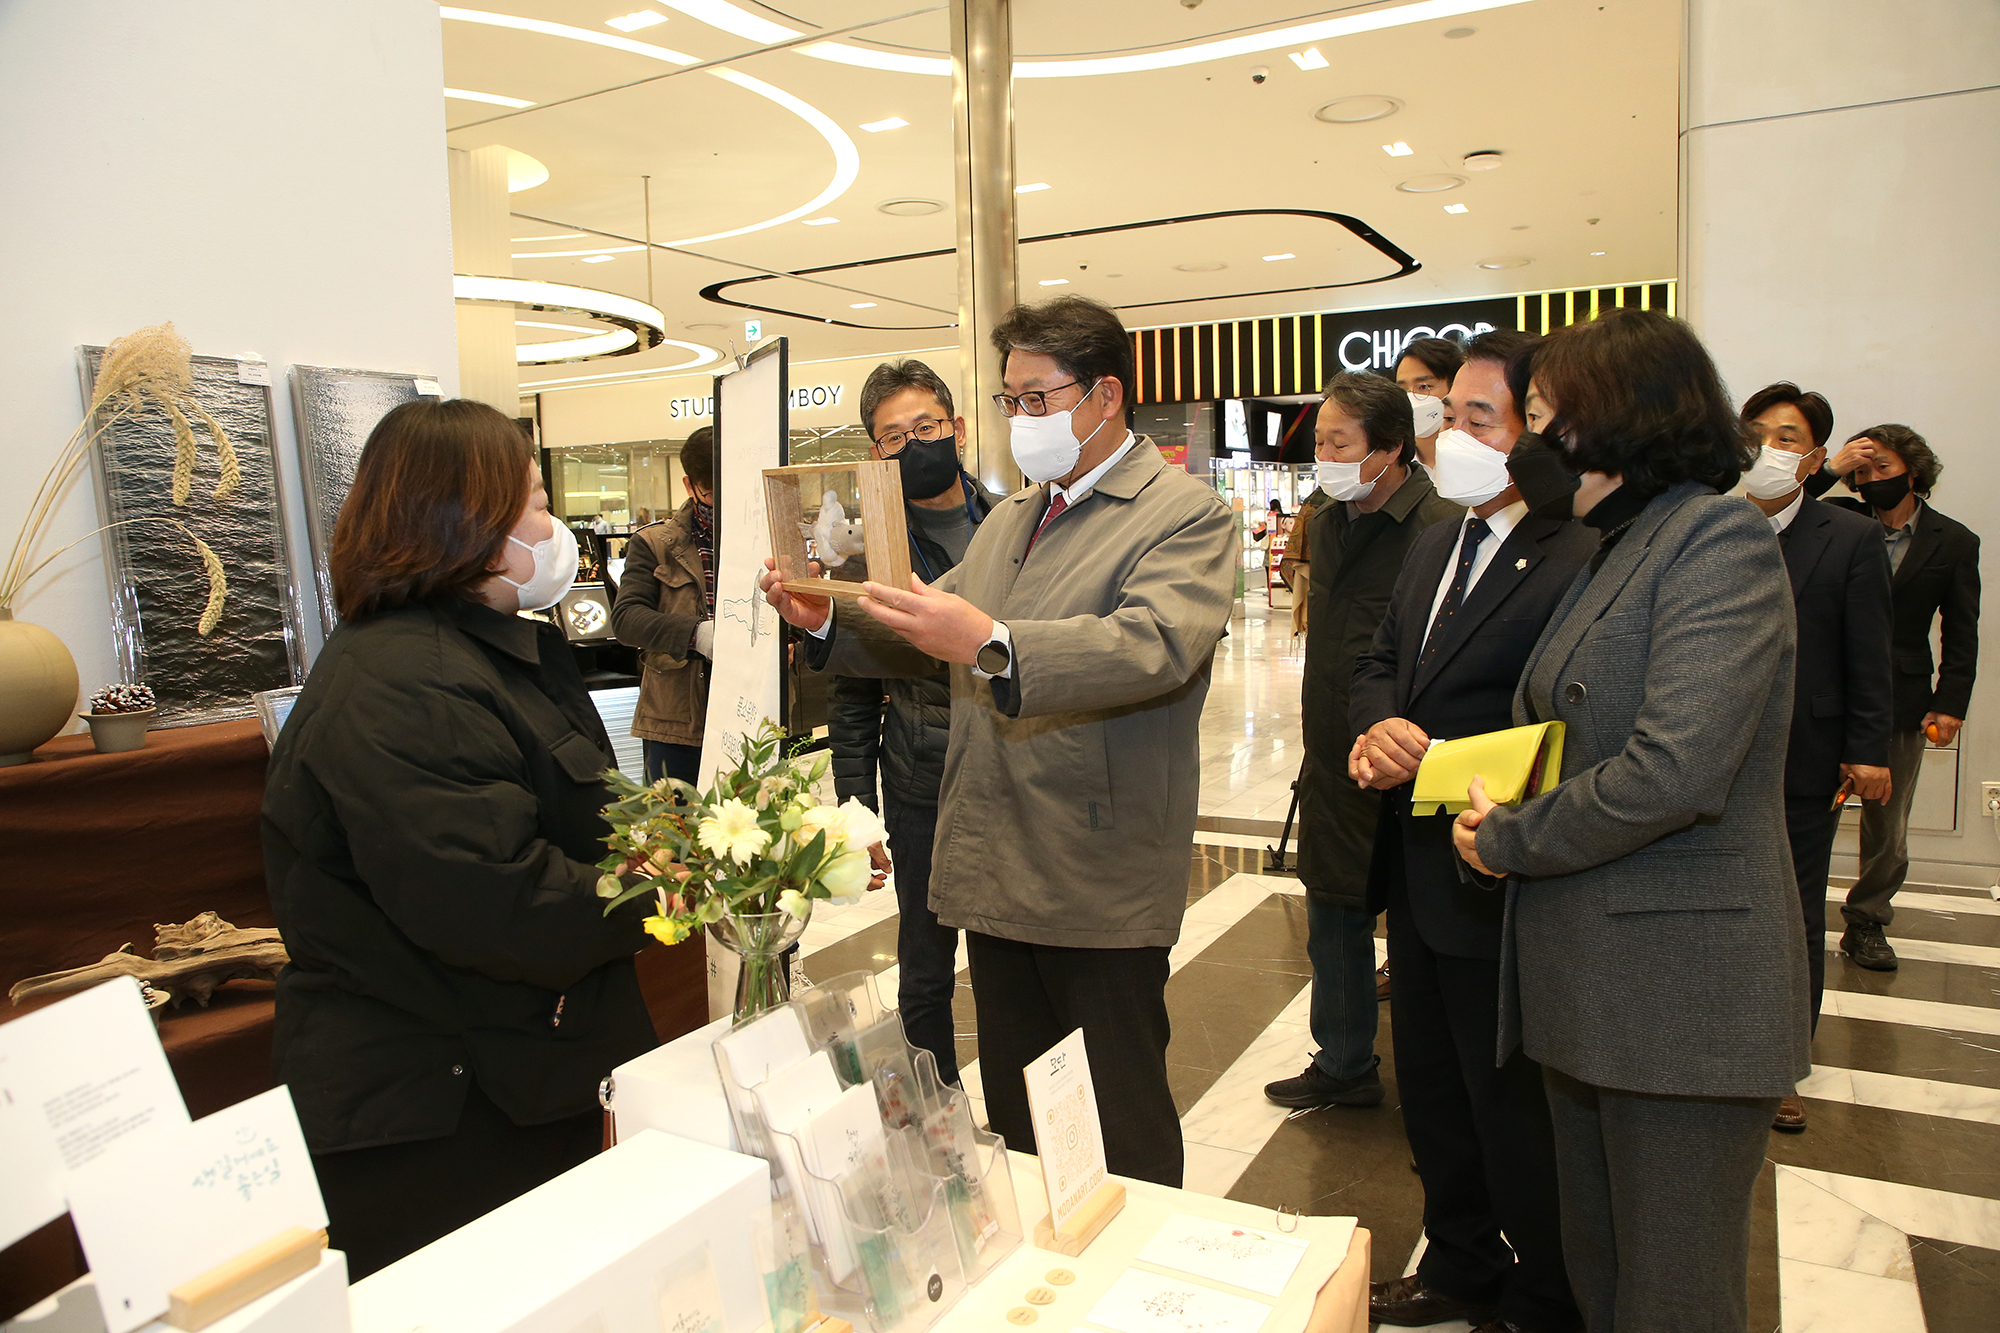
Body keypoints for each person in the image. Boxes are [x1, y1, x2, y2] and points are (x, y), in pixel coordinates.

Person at [761, 296, 1237, 1186]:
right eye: (1009, 401)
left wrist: (997, 641)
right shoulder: (1018, 516)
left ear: (1105, 396)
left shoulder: (1183, 514)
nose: (1019, 418)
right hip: (997, 855)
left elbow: (1154, 644)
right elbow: (930, 630)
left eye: (1036, 398)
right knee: (1024, 1114)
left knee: (1117, 1115)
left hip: (1095, 865)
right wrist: (826, 617)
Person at [1453, 309, 1810, 1332]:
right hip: (1593, 985)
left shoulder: (1715, 537)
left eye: (1541, 415)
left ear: (1615, 417)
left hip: (1678, 996)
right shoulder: (1617, 547)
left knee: (1671, 1296)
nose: (1527, 440)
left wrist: (1511, 837)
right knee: (1603, 1280)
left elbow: (1676, 768)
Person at [263, 398, 655, 1278]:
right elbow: (496, 902)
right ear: (471, 525)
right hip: (447, 1116)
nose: (553, 527)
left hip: (511, 1076)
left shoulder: (478, 654)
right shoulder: (410, 683)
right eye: (537, 502)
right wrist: (667, 888)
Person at [1349, 329, 1591, 1333]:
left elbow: (1574, 719)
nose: (1453, 436)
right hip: (1416, 867)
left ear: (1538, 431)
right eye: (1447, 416)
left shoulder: (1579, 551)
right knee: (1434, 1090)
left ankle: (1543, 1292)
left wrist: (1447, 755)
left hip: (1503, 868)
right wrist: (1375, 726)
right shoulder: (1435, 538)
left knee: (1513, 1106)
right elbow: (1380, 659)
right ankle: (1459, 1260)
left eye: (1478, 418)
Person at [1263, 374, 1457, 1111]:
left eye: (1340, 444)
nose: (1325, 458)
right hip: (1333, 751)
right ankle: (1344, 1061)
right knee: (1334, 908)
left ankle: (1438, 1086)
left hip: (1413, 758)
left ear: (1391, 447)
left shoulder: (1440, 525)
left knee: (1422, 925)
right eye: (1320, 442)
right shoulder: (1327, 516)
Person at [826, 359, 1004, 1087]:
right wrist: (856, 811)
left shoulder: (1013, 524)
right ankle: (938, 1117)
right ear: (876, 453)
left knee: (1007, 968)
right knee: (925, 967)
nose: (912, 444)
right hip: (921, 781)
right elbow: (852, 696)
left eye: (925, 427)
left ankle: (1019, 1119)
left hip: (1008, 776)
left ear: (956, 428)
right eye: (893, 437)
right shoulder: (873, 553)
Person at [1739, 384, 1894, 1131]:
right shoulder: (1710, 524)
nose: (1769, 450)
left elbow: (1870, 650)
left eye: (1787, 437)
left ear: (1817, 457)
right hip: (1710, 753)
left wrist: (1867, 748)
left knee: (1792, 910)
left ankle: (1781, 1066)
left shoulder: (1849, 536)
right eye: (1757, 435)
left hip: (1804, 753)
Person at [1810, 425, 1979, 970]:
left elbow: (1961, 630)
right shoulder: (1835, 519)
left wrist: (1950, 703)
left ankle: (1866, 921)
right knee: (1807, 809)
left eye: (1882, 468)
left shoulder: (1954, 541)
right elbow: (1777, 510)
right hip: (1824, 689)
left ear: (1913, 470)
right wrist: (1832, 470)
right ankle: (1794, 912)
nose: (1871, 479)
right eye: (1862, 471)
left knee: (1888, 824)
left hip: (1901, 696)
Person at [612, 429, 716, 786]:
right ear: (690, 485)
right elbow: (626, 618)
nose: (722, 502)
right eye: (711, 492)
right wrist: (697, 634)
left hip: (754, 711)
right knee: (676, 817)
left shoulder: (762, 533)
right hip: (677, 720)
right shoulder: (654, 543)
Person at [1397, 336, 1462, 470]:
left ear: (1454, 387)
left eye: (1423, 387)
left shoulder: (1477, 457)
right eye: (1403, 390)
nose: (1411, 397)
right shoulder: (1391, 463)